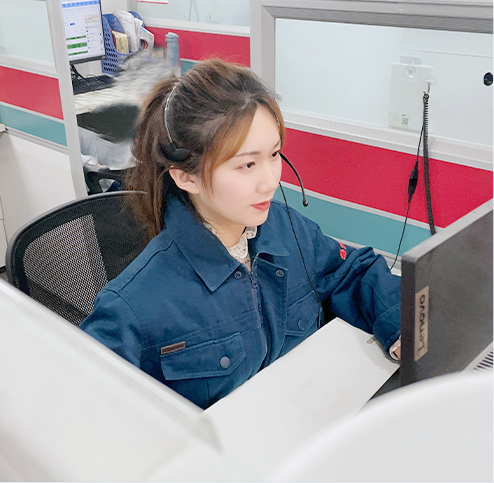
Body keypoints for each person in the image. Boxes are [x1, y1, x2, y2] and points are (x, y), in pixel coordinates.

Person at [80, 59, 401, 410]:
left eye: (274, 154)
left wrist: (404, 326)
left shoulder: (287, 230)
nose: (270, 181)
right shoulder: (133, 306)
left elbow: (353, 271)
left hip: (308, 420)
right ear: (186, 177)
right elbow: (84, 410)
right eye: (247, 164)